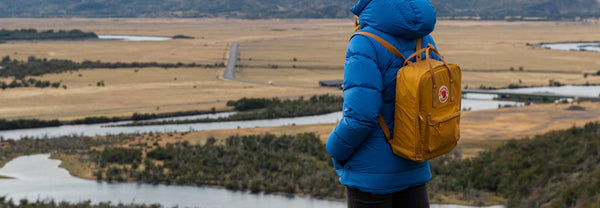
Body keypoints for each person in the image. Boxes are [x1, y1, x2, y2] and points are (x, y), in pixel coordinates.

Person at [326, 0, 439, 207]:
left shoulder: (364, 42)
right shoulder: (423, 37)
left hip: (371, 176)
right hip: (414, 163)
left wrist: (335, 150)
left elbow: (360, 116)